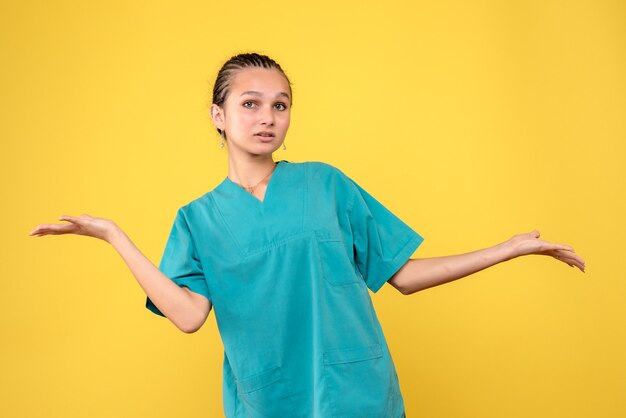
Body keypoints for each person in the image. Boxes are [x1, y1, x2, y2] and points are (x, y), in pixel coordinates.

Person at [29, 52, 585, 418]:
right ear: (218, 115)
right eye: (249, 104)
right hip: (268, 401)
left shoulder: (326, 185)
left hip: (356, 395)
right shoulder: (197, 220)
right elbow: (188, 316)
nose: (267, 117)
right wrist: (112, 235)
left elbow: (404, 275)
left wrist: (508, 249)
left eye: (280, 104)